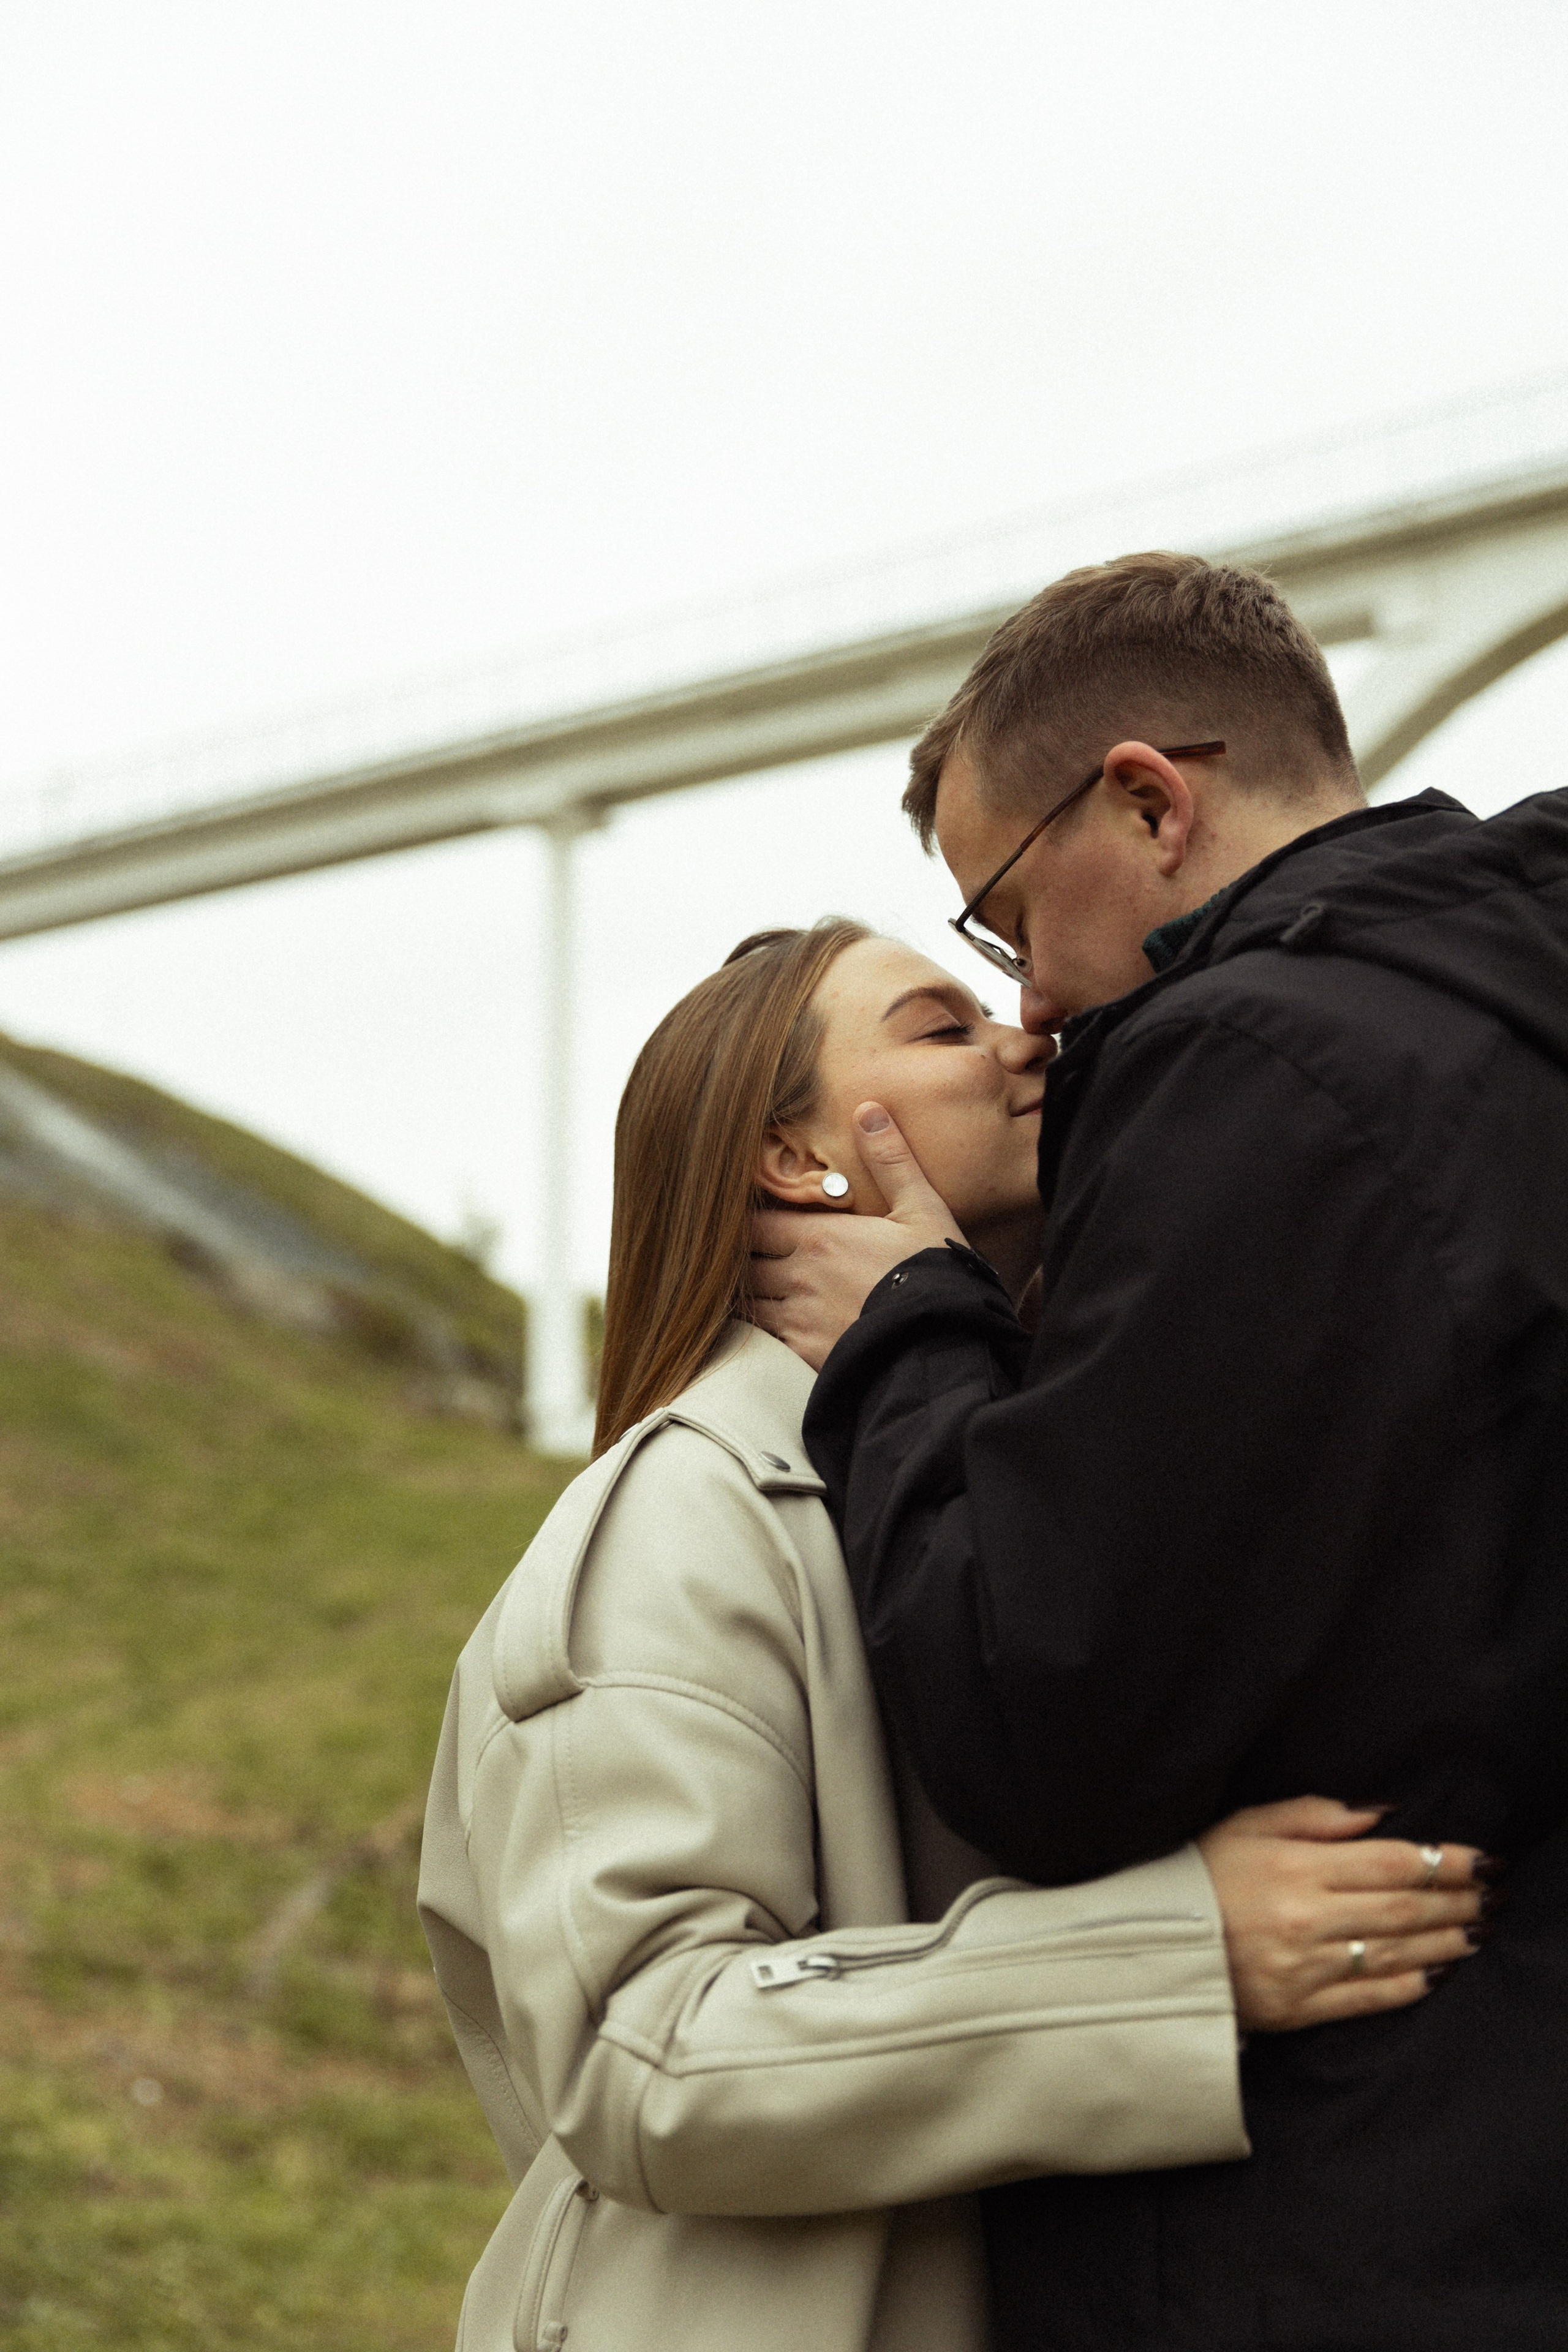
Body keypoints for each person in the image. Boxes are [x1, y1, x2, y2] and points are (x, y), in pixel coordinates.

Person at [419, 916, 1485, 2352]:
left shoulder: (1003, 1480)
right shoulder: (688, 1511)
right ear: (792, 1158)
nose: (1027, 1033)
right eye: (942, 1026)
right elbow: (641, 2052)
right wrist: (1179, 1955)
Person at [748, 553, 1567, 2351]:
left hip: (1340, 2212)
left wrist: (915, 1334)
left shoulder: (1254, 1067)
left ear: (1146, 801)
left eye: (1003, 921)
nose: (1034, 1005)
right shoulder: (1507, 1011)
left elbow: (1043, 1710)